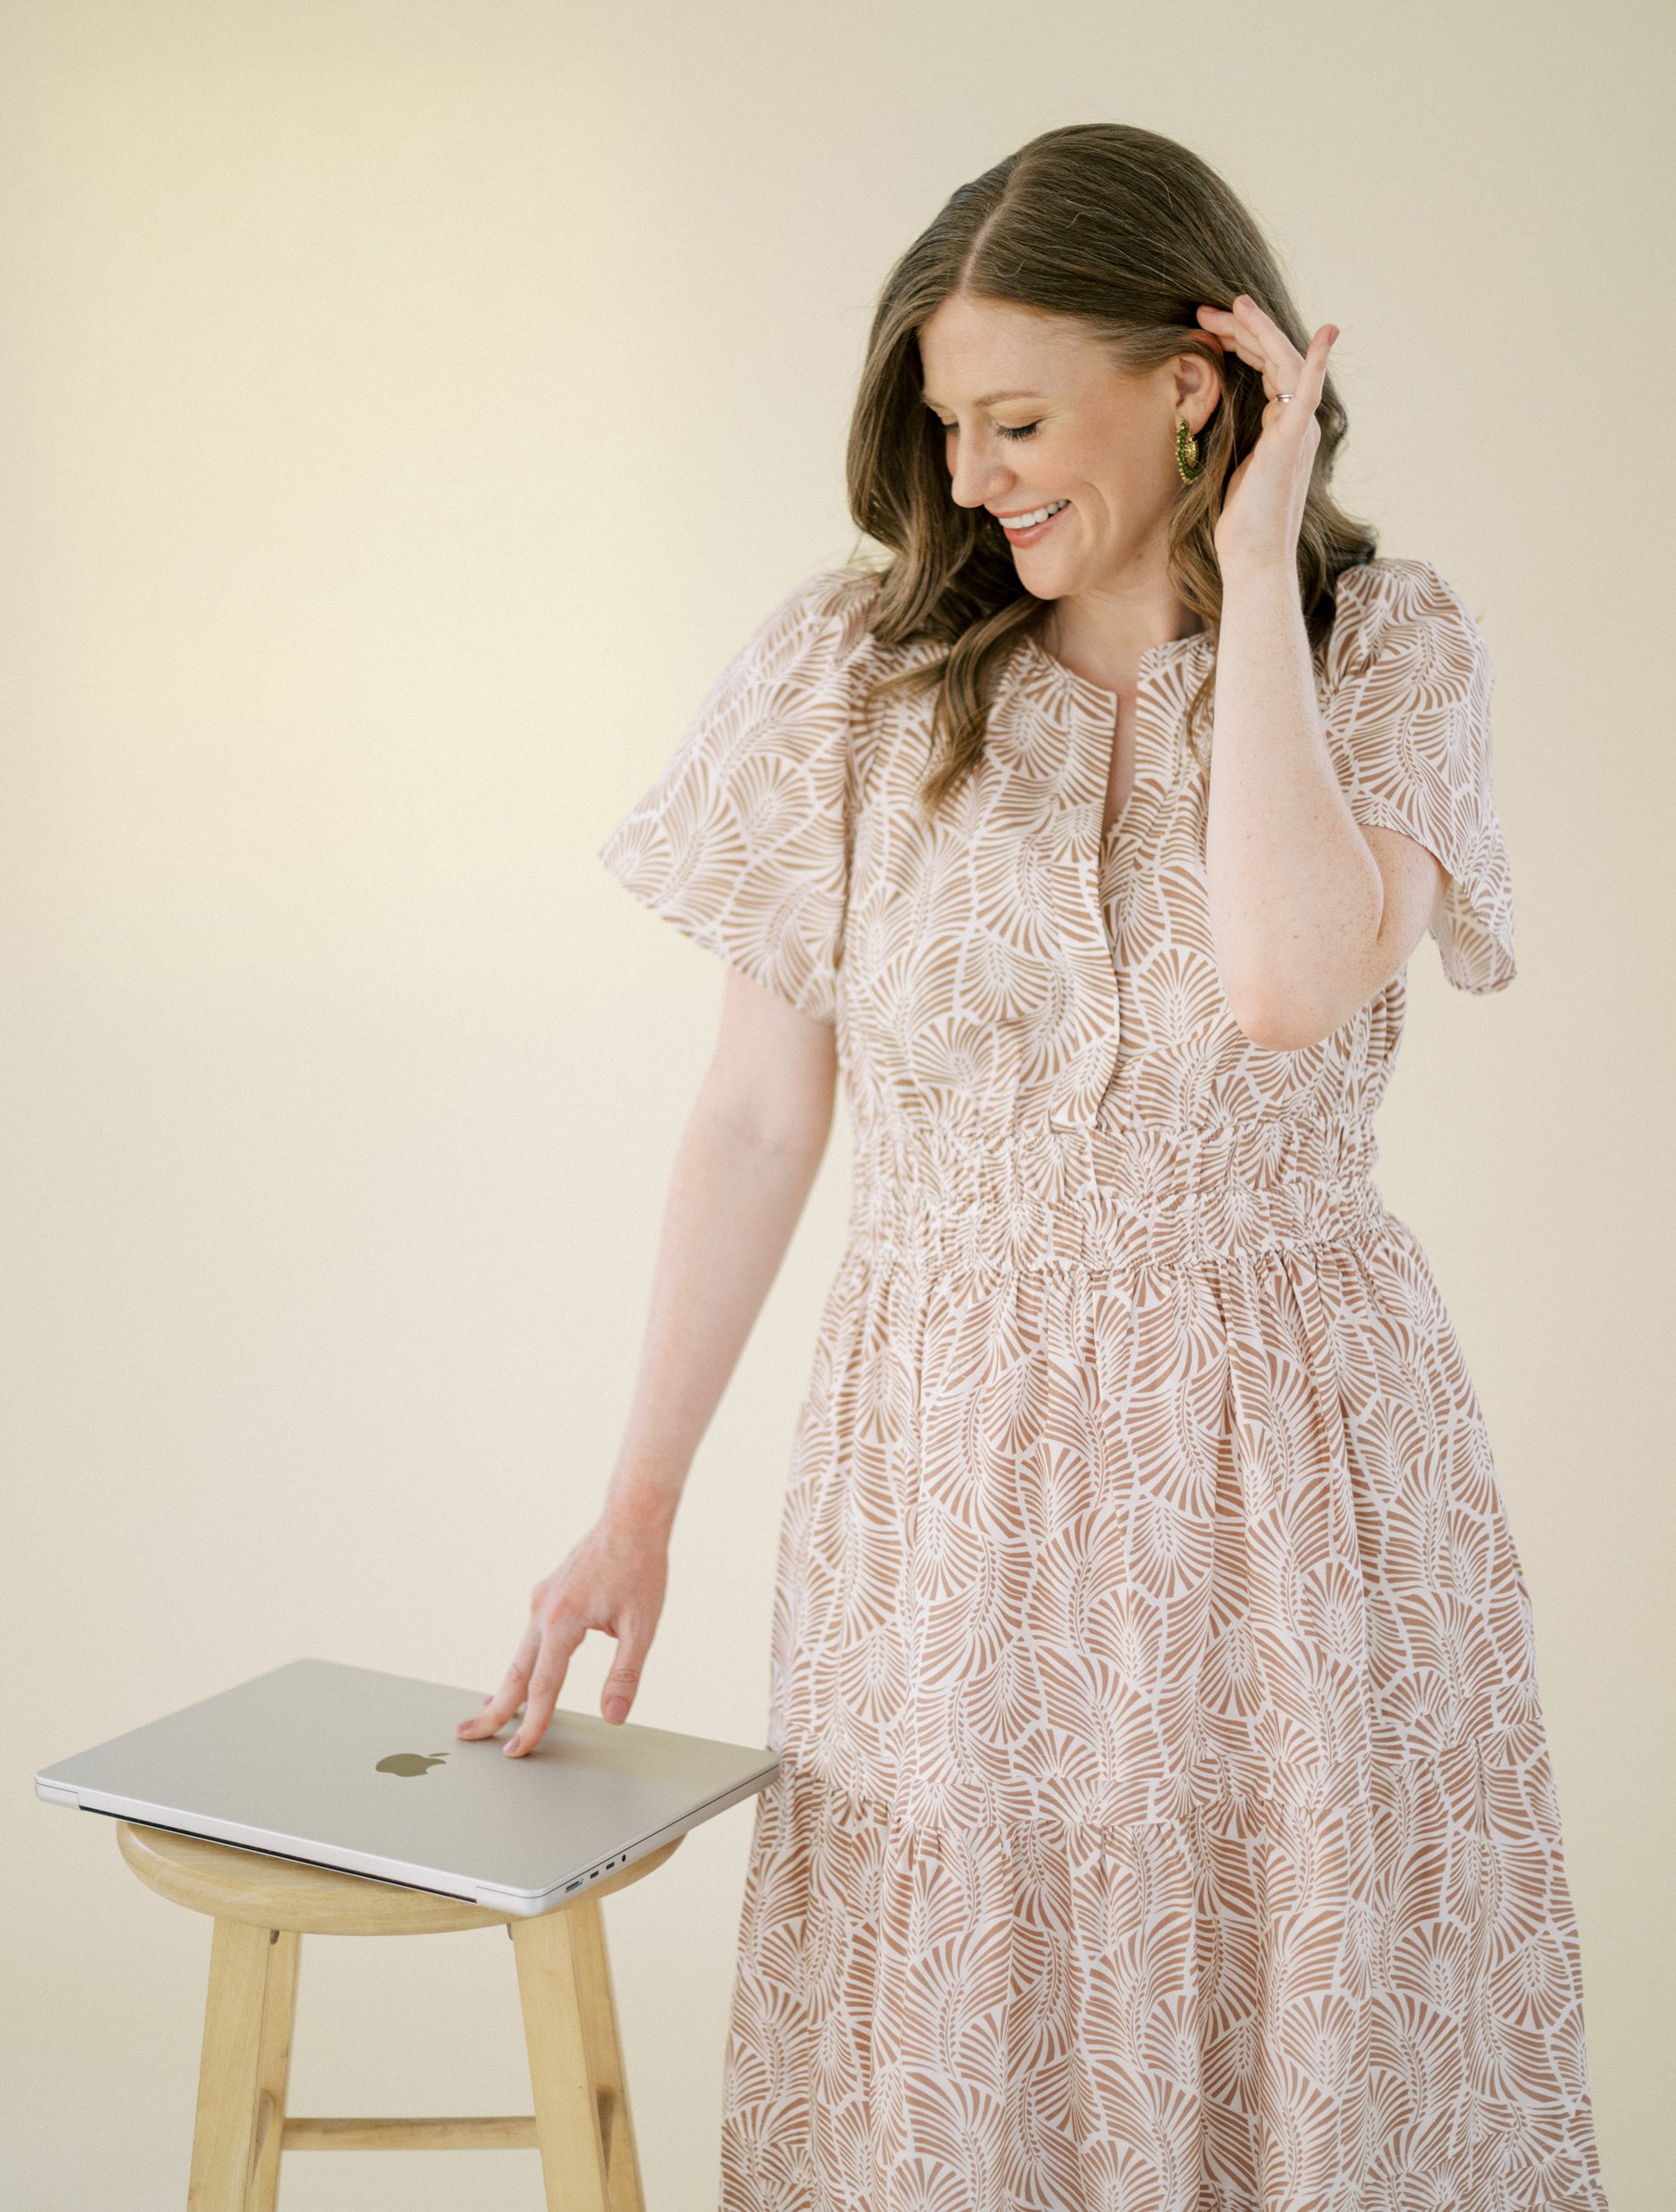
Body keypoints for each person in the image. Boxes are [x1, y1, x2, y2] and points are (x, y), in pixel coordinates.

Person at [459, 123, 1610, 2211]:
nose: (975, 474)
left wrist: (1250, 575)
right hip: (950, 1455)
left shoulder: (1390, 648)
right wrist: (634, 1505)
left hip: (1294, 1452)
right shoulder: (848, 671)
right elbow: (750, 1109)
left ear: (1193, 382)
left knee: (1301, 1975)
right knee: (965, 2019)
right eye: (946, 425)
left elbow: (1280, 982)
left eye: (1016, 416)